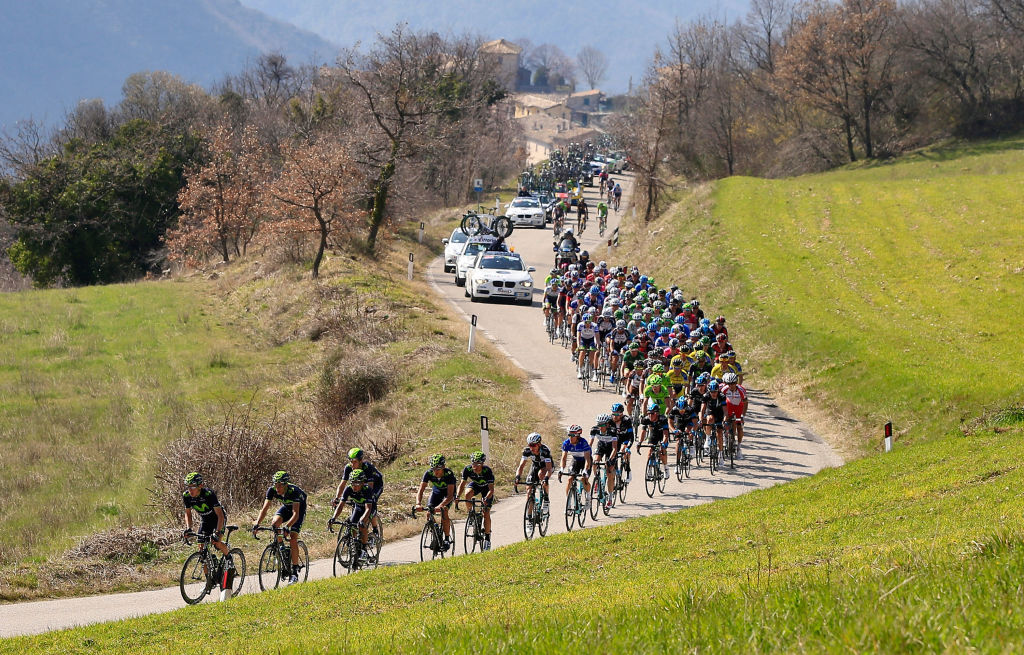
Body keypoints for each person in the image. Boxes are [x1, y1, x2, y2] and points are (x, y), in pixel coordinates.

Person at [252, 471, 307, 584]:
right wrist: (257, 523)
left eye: (280, 485)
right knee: (274, 524)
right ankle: (282, 549)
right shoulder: (272, 490)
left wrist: (287, 527)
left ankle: (295, 571)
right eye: (275, 484)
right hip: (286, 508)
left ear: (286, 484)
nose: (277, 487)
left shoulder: (294, 492)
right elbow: (265, 509)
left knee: (293, 537)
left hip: (298, 510)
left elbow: (296, 514)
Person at [331, 447, 383, 537]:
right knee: (358, 504)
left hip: (376, 484)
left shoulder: (367, 467)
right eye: (350, 461)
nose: (352, 464)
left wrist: (364, 498)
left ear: (360, 460)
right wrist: (337, 498)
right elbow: (342, 484)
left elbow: (370, 487)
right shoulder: (348, 468)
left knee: (371, 502)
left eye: (354, 461)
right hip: (360, 485)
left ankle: (375, 528)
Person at [181, 472, 231, 562]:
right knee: (201, 551)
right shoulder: (186, 496)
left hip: (218, 519)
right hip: (206, 520)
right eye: (188, 487)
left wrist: (218, 532)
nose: (190, 490)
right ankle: (210, 571)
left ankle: (229, 557)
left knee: (217, 543)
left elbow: (220, 515)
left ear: (200, 486)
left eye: (192, 487)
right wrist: (189, 528)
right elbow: (188, 513)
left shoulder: (208, 494)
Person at [415, 454, 456, 550]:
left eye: (438, 469)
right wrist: (418, 503)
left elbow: (450, 495)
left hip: (448, 494)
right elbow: (420, 490)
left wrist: (440, 506)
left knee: (444, 510)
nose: (435, 472)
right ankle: (435, 534)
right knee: (429, 512)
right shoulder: (428, 473)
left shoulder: (449, 474)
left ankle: (446, 539)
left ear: (443, 467)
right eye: (433, 469)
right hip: (436, 492)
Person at [457, 451, 495, 551]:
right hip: (476, 485)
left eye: (478, 464)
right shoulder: (468, 469)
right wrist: (457, 496)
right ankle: (472, 515)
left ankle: (487, 538)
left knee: (486, 512)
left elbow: (491, 490)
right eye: (473, 463)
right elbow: (462, 484)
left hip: (486, 489)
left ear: (482, 464)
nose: (475, 466)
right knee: (467, 494)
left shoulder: (487, 471)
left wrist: (486, 499)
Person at [336, 469, 376, 563]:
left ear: (362, 483)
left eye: (357, 483)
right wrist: (334, 518)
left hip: (369, 508)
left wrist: (362, 520)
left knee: (362, 524)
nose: (354, 486)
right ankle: (355, 545)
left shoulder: (367, 490)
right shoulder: (348, 489)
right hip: (358, 507)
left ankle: (364, 548)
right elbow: (340, 505)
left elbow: (367, 509)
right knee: (352, 525)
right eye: (352, 483)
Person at [515, 432, 554, 508]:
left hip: (546, 467)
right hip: (535, 466)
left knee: (541, 474)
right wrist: (517, 477)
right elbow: (521, 466)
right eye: (530, 445)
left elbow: (549, 469)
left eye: (533, 445)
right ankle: (529, 516)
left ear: (539, 444)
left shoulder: (545, 451)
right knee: (529, 489)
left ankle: (546, 498)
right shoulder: (527, 451)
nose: (531, 448)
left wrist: (546, 479)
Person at [589, 414, 619, 509]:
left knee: (609, 473)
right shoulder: (594, 430)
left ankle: (610, 498)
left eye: (602, 425)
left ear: (607, 425)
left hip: (611, 450)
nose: (600, 427)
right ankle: (597, 479)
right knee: (594, 462)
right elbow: (589, 445)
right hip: (601, 447)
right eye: (599, 425)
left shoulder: (612, 431)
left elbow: (615, 448)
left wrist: (610, 460)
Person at [639, 401, 670, 480]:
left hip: (662, 435)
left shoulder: (663, 419)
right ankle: (649, 470)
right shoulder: (646, 419)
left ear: (657, 413)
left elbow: (666, 434)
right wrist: (639, 443)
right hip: (654, 435)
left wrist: (663, 443)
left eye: (652, 413)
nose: (650, 415)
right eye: (648, 413)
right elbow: (643, 432)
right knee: (650, 450)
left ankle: (666, 468)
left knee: (662, 450)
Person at [560, 424, 593, 496]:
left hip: (585, 461)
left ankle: (588, 497)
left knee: (583, 479)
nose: (570, 438)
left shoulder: (583, 442)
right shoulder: (566, 443)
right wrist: (561, 469)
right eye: (569, 435)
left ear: (577, 436)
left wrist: (585, 470)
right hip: (576, 460)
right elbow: (563, 458)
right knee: (570, 479)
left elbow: (587, 459)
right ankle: (568, 502)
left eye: (572, 436)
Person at [722, 372, 748, 458]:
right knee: (725, 422)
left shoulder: (741, 390)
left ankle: (739, 448)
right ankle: (725, 438)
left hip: (738, 407)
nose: (731, 385)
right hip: (728, 407)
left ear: (736, 383)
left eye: (733, 383)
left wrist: (742, 415)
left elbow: (745, 402)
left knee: (739, 426)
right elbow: (719, 401)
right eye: (729, 384)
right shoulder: (724, 389)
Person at [700, 380, 728, 458]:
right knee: (709, 419)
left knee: (719, 433)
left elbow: (725, 411)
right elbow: (702, 409)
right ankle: (707, 439)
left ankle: (721, 453)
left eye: (715, 392)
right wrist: (701, 419)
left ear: (718, 391)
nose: (713, 394)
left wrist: (725, 420)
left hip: (719, 412)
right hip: (710, 411)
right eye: (712, 392)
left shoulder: (722, 396)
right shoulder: (706, 396)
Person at [608, 402, 635, 482]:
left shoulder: (626, 420)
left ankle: (627, 469)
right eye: (613, 414)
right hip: (615, 439)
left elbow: (631, 436)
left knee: (624, 450)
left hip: (625, 439)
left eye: (617, 415)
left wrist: (628, 447)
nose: (614, 417)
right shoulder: (610, 420)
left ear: (622, 414)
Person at [577, 311, 600, 382]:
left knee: (592, 352)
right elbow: (578, 337)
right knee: (582, 352)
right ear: (583, 321)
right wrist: (578, 346)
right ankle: (580, 370)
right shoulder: (580, 325)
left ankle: (590, 369)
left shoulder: (595, 326)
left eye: (589, 322)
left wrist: (598, 345)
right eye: (586, 322)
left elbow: (597, 337)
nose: (587, 324)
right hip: (583, 339)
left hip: (591, 340)